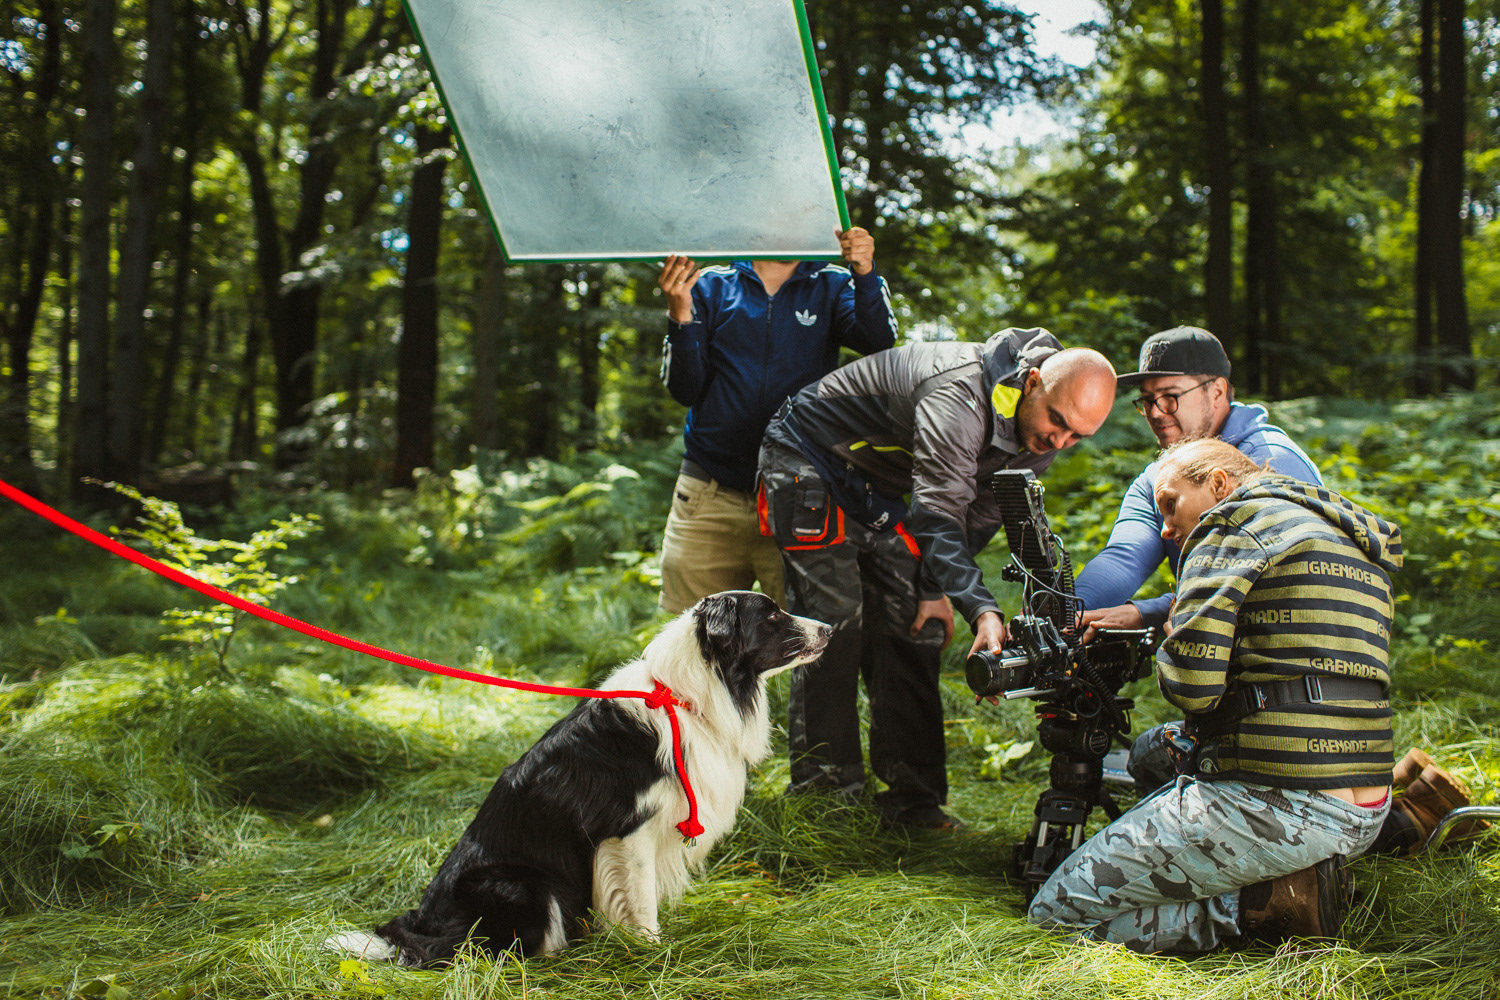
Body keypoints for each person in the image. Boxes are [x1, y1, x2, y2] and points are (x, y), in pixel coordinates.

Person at [1029, 438, 1400, 951]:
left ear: (1219, 485)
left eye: (1170, 503)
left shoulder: (1229, 526)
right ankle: (1290, 877)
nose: (1165, 527)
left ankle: (1253, 910)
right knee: (1155, 752)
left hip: (1285, 806)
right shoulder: (1343, 539)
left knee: (1053, 913)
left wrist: (1174, 633)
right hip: (1368, 806)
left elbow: (1193, 689)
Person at [758, 328, 1116, 828]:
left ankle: (914, 800)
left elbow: (981, 515)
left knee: (913, 625)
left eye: (1078, 436)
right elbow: (938, 514)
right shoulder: (959, 396)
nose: (1060, 442)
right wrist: (982, 609)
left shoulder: (1044, 427)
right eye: (1057, 423)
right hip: (811, 455)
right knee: (834, 625)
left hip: (882, 484)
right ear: (1033, 382)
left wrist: (933, 591)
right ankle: (826, 803)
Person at [656, 228, 897, 614]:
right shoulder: (711, 286)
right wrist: (679, 313)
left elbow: (879, 342)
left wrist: (865, 273)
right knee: (690, 647)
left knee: (799, 647)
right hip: (708, 493)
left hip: (798, 496)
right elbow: (685, 389)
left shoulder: (834, 285)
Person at [1075, 326, 1321, 635]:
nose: (1156, 412)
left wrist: (1144, 612)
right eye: (1148, 400)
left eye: (1170, 396)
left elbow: (1269, 582)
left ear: (1216, 391)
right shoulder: (1159, 479)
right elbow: (1122, 559)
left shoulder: (1270, 461)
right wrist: (1059, 615)